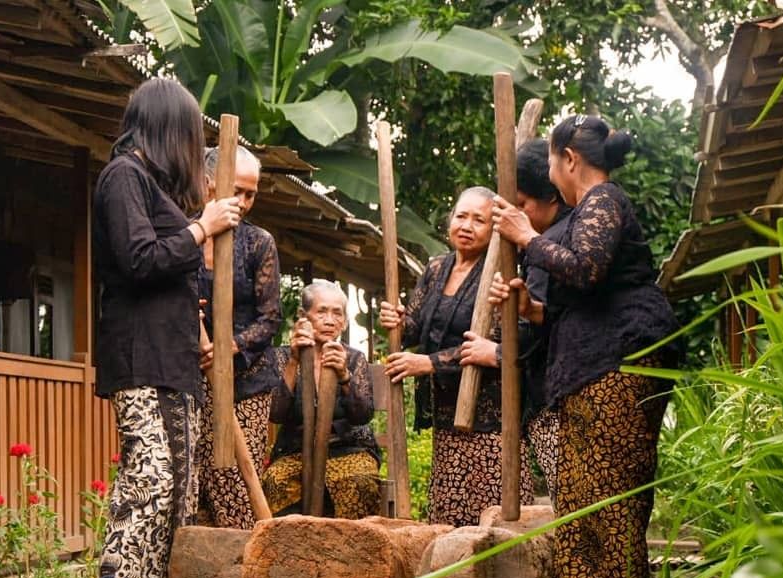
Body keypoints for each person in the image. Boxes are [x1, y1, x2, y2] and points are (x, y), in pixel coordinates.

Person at [490, 114, 681, 578]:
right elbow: (576, 298)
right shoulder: (581, 213)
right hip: (589, 368)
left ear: (568, 159)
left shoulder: (603, 201)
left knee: (609, 499)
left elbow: (590, 268)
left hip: (620, 364)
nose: (550, 173)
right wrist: (532, 308)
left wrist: (526, 238)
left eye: (551, 161)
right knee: (578, 501)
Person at [75, 78, 241, 578]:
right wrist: (202, 228)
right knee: (147, 483)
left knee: (178, 491)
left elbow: (174, 281)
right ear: (168, 130)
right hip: (140, 359)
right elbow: (140, 260)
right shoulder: (123, 176)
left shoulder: (153, 186)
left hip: (172, 362)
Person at [379, 187, 534, 527]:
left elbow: (493, 341)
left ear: (494, 229)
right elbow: (417, 328)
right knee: (449, 517)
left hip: (491, 418)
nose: (467, 225)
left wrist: (429, 363)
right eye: (462, 216)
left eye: (479, 220)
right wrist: (399, 321)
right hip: (447, 416)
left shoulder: (500, 271)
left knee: (493, 520)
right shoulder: (437, 267)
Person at [459, 139, 570, 495]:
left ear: (551, 196)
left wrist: (496, 353)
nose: (514, 216)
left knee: (574, 503)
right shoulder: (550, 238)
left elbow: (551, 329)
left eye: (521, 205)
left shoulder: (549, 243)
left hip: (560, 399)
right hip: (559, 395)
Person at [194, 145, 282, 529]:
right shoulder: (186, 234)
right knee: (194, 478)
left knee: (233, 479)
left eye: (252, 194)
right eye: (238, 192)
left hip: (247, 383)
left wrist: (232, 346)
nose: (245, 203)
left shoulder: (259, 243)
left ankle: (245, 567)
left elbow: (270, 317)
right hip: (192, 377)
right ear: (209, 185)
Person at [261, 280, 381, 518]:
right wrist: (295, 361)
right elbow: (276, 413)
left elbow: (362, 415)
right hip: (295, 450)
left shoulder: (354, 358)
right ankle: (291, 550)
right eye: (322, 311)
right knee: (276, 480)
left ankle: (347, 552)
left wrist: (345, 376)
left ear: (345, 321)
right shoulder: (282, 356)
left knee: (358, 481)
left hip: (347, 449)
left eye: (337, 313)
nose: (330, 320)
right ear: (303, 317)